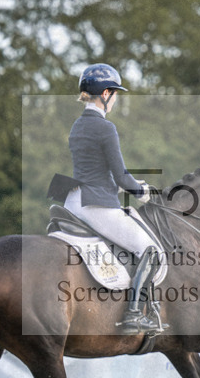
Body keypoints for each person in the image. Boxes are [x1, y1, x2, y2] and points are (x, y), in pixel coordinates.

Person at [64, 63, 161, 334]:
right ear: (105, 94)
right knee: (150, 250)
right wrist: (141, 191)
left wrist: (117, 187)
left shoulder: (77, 126)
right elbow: (121, 175)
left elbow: (92, 171)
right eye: (115, 94)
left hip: (73, 201)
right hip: (96, 206)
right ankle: (132, 314)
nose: (116, 99)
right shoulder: (106, 128)